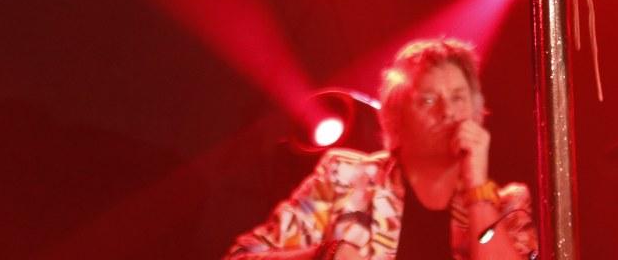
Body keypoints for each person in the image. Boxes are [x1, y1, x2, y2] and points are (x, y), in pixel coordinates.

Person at [226, 38, 536, 259]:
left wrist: (477, 189)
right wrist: (323, 255)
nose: (447, 112)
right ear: (397, 116)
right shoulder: (345, 179)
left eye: (458, 97)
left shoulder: (508, 206)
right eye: (428, 100)